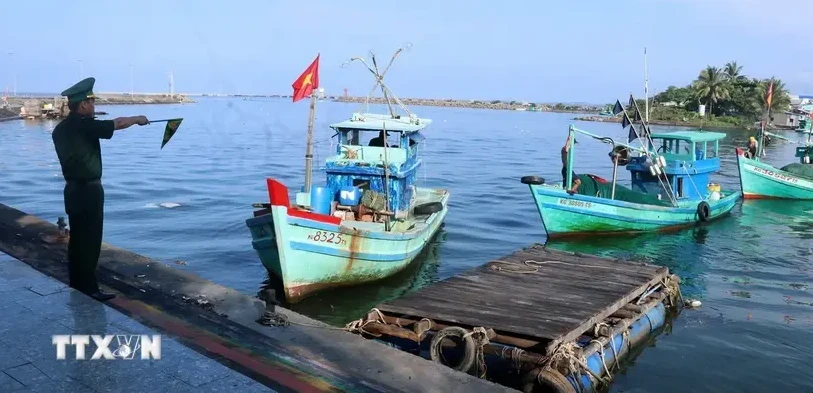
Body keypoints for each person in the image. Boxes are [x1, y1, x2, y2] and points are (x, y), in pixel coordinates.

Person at [51, 77, 149, 301]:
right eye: (92, 103)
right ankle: (89, 289)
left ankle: (77, 284)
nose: (94, 107)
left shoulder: (60, 129)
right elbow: (118, 123)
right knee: (90, 241)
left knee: (77, 240)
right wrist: (138, 118)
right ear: (83, 104)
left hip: (72, 190)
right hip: (89, 192)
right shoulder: (84, 125)